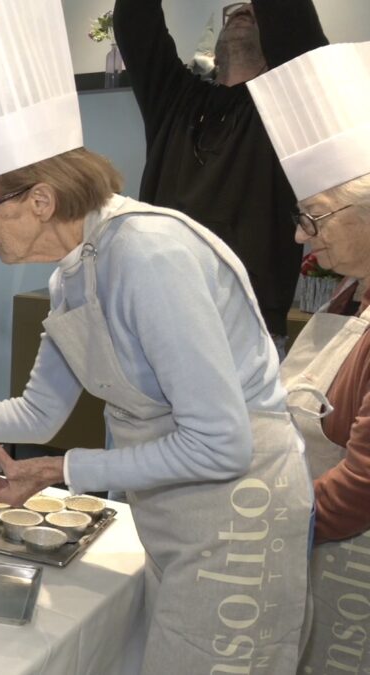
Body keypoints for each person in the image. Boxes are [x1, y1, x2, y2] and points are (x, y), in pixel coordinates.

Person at [0, 1, 312, 672]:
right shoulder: (74, 273)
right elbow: (37, 412)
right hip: (175, 512)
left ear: (40, 200)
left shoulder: (148, 255)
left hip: (240, 518)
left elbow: (220, 442)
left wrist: (59, 469)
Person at [249, 41, 370, 673]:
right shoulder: (352, 294)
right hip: (311, 547)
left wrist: (249, 525)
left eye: (314, 216)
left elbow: (361, 487)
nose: (301, 234)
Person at [113, 0, 327, 351]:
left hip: (244, 330)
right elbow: (135, 23)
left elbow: (293, 21)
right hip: (154, 319)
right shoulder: (173, 102)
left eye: (256, 11)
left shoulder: (289, 107)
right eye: (235, 13)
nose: (243, 10)